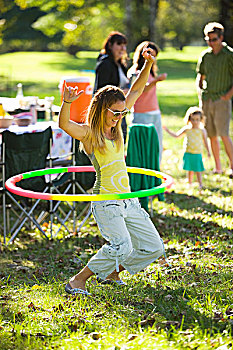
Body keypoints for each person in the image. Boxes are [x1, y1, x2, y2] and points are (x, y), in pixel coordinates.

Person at [59, 48, 165, 296]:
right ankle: (78, 280)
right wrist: (67, 102)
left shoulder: (117, 126)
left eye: (122, 113)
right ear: (101, 109)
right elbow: (64, 125)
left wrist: (148, 64)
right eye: (115, 113)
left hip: (127, 199)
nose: (119, 117)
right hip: (107, 201)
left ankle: (113, 272)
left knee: (154, 247)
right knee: (122, 245)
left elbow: (136, 91)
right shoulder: (89, 134)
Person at [196, 22, 233, 178]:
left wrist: (228, 95)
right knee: (211, 134)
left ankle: (232, 166)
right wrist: (200, 89)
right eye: (209, 40)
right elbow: (200, 75)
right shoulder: (205, 56)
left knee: (223, 134)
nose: (211, 43)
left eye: (214, 39)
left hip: (221, 99)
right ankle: (218, 167)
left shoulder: (230, 55)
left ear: (221, 38)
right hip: (207, 99)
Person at [127, 41, 167, 163]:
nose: (152, 59)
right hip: (141, 113)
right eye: (150, 55)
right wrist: (156, 81)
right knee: (143, 146)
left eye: (154, 56)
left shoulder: (151, 71)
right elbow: (139, 89)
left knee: (157, 144)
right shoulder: (135, 72)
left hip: (154, 111)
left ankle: (155, 169)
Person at [93, 31, 130, 143]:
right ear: (110, 45)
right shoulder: (105, 64)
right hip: (108, 111)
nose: (122, 48)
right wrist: (123, 92)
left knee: (121, 141)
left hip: (120, 108)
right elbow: (101, 90)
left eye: (124, 45)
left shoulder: (121, 65)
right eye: (119, 44)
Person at [163, 106, 211, 189]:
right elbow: (176, 135)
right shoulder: (187, 129)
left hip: (197, 153)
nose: (195, 122)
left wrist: (208, 151)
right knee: (189, 169)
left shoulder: (202, 131)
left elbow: (205, 142)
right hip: (188, 152)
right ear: (189, 119)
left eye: (197, 120)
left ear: (201, 120)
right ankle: (190, 183)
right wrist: (168, 130)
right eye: (193, 119)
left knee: (198, 170)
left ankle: (200, 184)